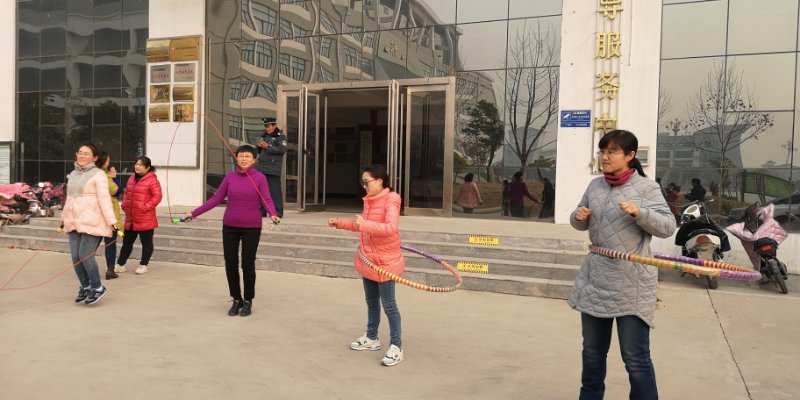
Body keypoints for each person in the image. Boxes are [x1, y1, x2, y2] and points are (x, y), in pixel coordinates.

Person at [569, 129, 676, 400]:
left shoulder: (647, 188)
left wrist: (641, 212)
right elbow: (579, 221)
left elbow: (667, 227)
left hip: (631, 281)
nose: (604, 157)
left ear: (630, 155)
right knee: (592, 353)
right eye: (602, 152)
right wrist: (579, 217)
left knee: (635, 357)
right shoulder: (595, 186)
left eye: (612, 152)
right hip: (597, 278)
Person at [184, 145, 280, 317]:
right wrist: (194, 213)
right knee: (230, 264)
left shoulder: (260, 178)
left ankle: (248, 300)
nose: (244, 159)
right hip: (230, 226)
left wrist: (273, 213)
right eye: (241, 156)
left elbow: (267, 199)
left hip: (252, 226)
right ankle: (236, 299)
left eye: (247, 156)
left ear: (254, 160)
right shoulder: (229, 178)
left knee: (247, 265)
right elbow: (215, 199)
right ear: (236, 158)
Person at [328, 164, 405, 367]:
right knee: (371, 302)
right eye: (362, 183)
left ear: (379, 180)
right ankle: (372, 337)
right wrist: (340, 223)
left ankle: (396, 347)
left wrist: (365, 224)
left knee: (389, 306)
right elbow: (362, 226)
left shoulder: (392, 199)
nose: (364, 186)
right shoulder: (370, 200)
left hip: (385, 262)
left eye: (366, 182)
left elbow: (390, 228)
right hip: (369, 260)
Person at [61, 143, 117, 305]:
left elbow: (104, 199)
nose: (82, 156)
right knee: (76, 257)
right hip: (74, 220)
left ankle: (97, 287)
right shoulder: (73, 174)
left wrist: (111, 220)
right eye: (80, 152)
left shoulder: (99, 175)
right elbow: (70, 198)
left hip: (93, 221)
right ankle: (86, 286)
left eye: (86, 153)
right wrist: (64, 217)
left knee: (85, 255)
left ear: (94, 157)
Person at [116, 156, 162, 275]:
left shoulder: (152, 180)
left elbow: (157, 196)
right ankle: (120, 264)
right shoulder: (131, 178)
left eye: (141, 164)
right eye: (136, 164)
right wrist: (124, 205)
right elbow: (126, 193)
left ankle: (143, 264)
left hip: (145, 218)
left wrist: (145, 207)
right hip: (131, 218)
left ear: (147, 168)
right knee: (127, 242)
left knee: (146, 243)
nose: (137, 166)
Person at [95, 151, 124, 280]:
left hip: (95, 214)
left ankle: (87, 267)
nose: (109, 163)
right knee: (110, 243)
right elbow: (116, 190)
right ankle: (110, 270)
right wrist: (113, 177)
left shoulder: (90, 174)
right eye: (108, 160)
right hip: (108, 214)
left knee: (93, 244)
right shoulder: (103, 175)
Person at [256, 117, 287, 218]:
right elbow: (257, 151)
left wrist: (268, 147)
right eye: (265, 126)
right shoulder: (264, 135)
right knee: (261, 190)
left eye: (268, 126)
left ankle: (278, 212)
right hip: (262, 167)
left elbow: (282, 149)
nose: (267, 128)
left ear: (274, 126)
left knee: (274, 191)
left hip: (273, 168)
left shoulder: (280, 136)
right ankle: (262, 211)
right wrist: (259, 146)